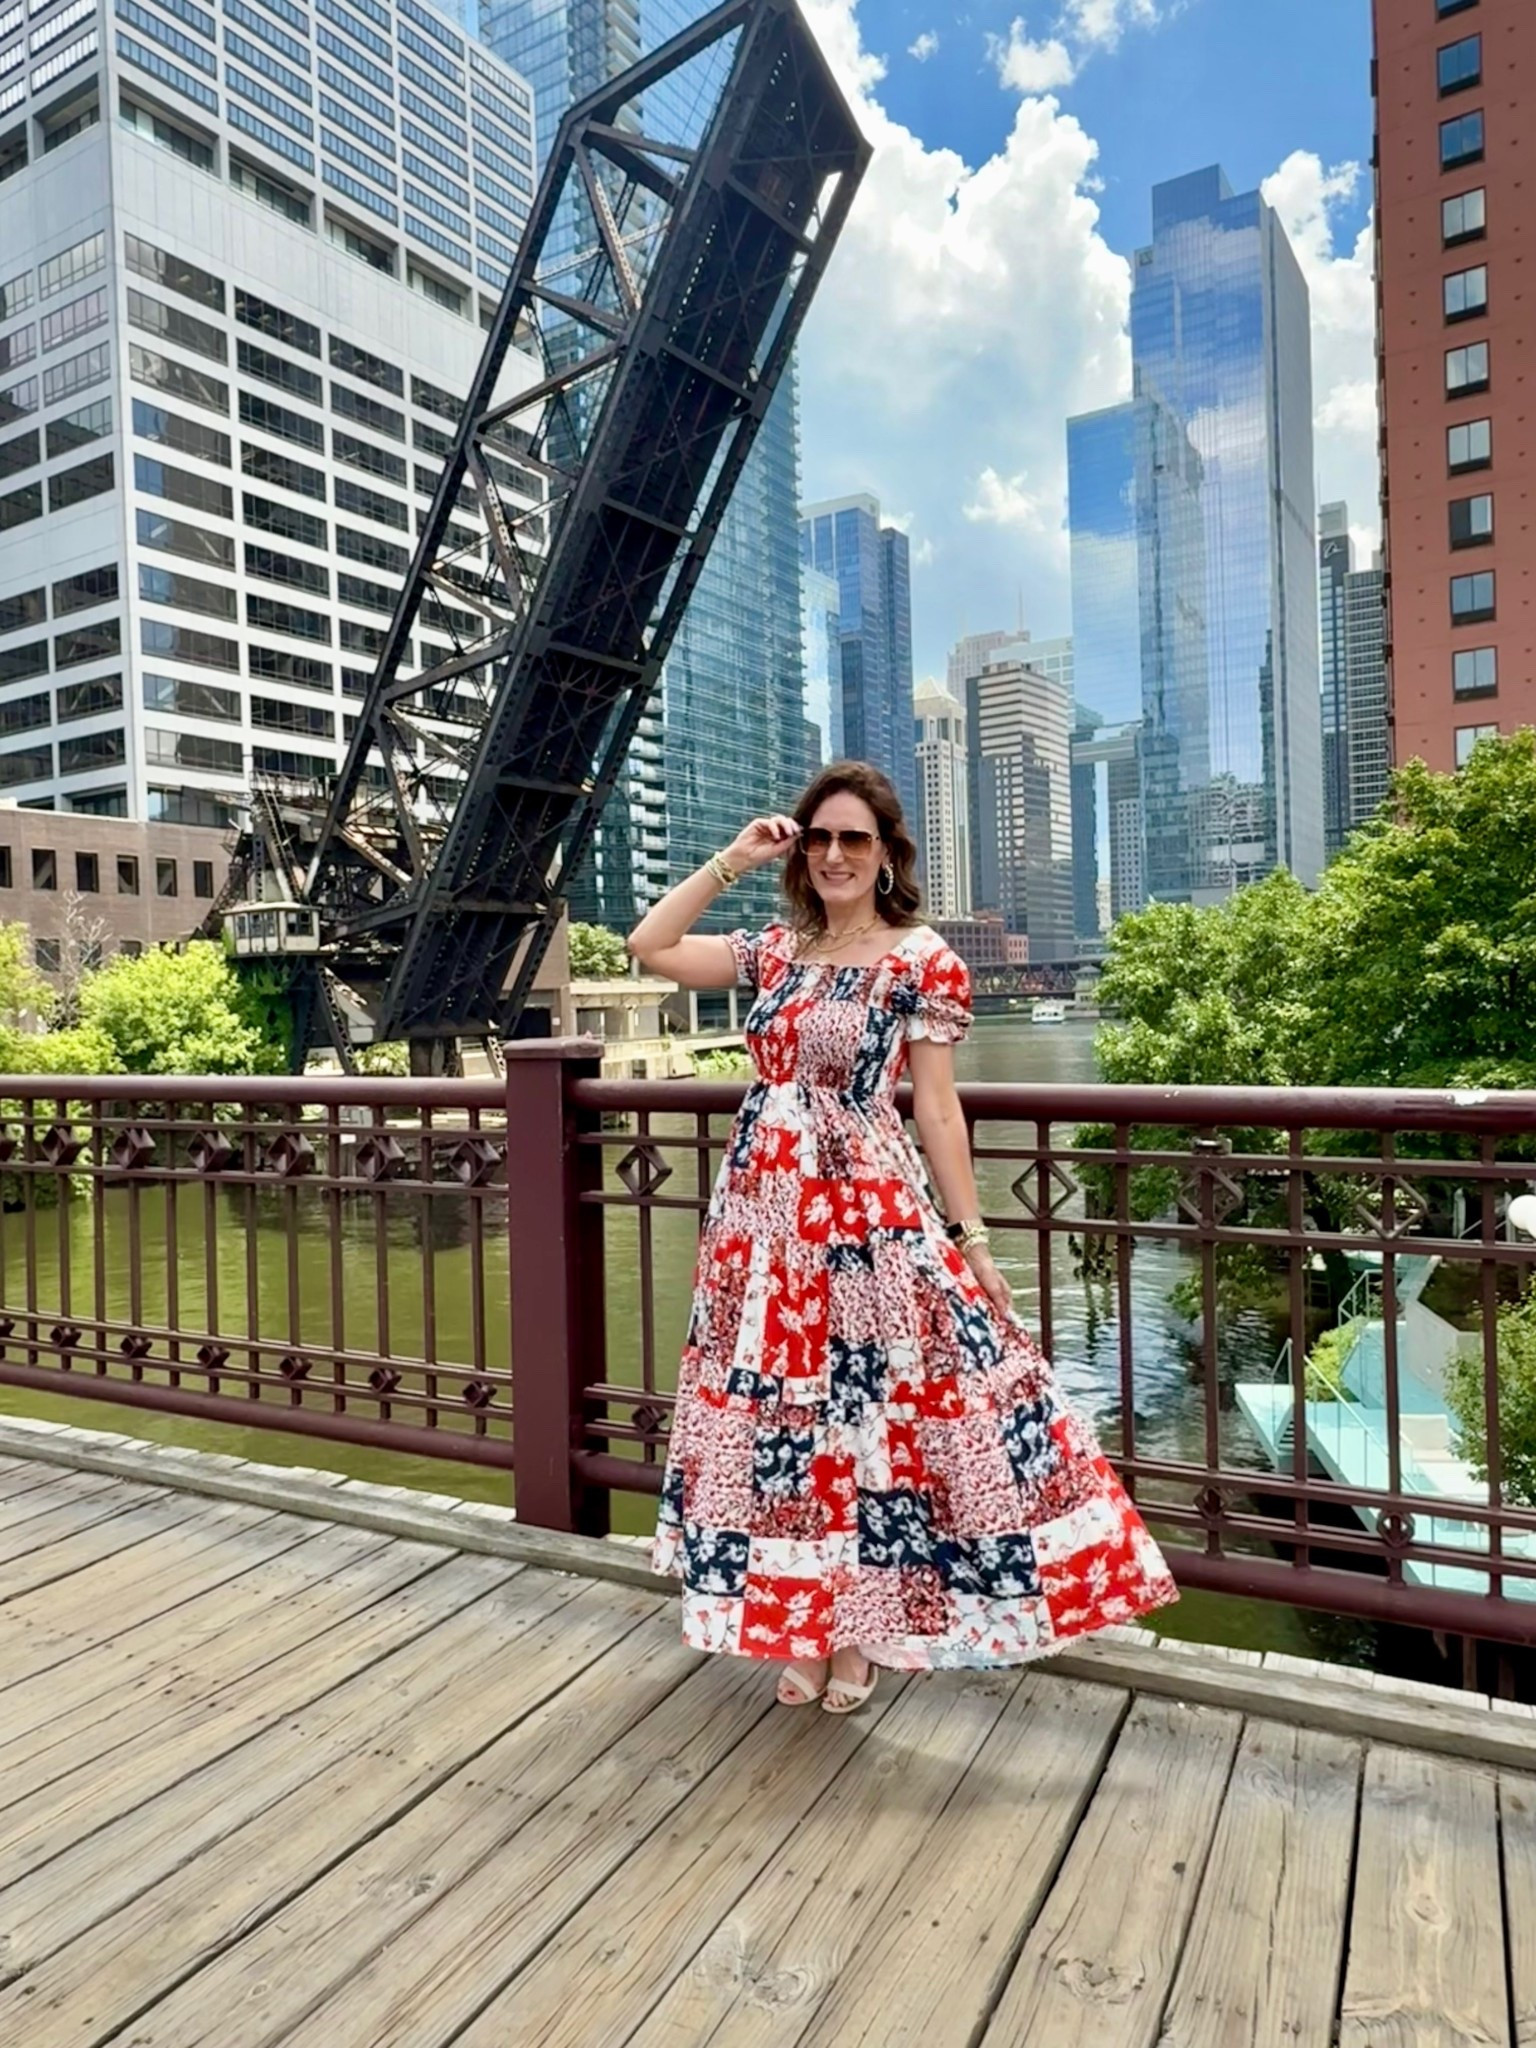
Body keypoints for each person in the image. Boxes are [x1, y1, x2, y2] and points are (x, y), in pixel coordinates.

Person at [627, 759, 1177, 1713]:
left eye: (857, 840)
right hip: (761, 1228)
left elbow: (938, 1108)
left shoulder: (919, 958)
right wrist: (737, 857)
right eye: (821, 837)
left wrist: (971, 1240)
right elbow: (650, 944)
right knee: (783, 1428)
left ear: (885, 856)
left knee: (871, 1419)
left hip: (866, 1220)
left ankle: (863, 1639)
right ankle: (803, 1622)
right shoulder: (775, 950)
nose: (837, 855)